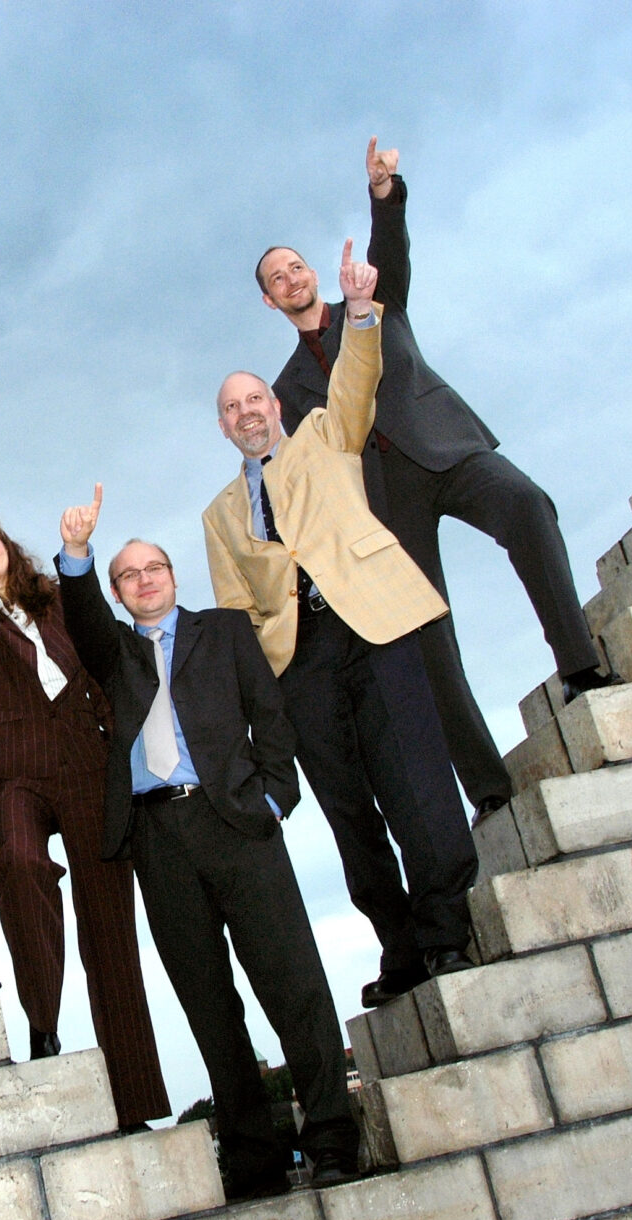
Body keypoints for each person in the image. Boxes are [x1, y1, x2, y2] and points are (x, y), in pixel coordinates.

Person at [260, 138, 614, 822]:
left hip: (447, 450)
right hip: (388, 505)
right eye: (276, 277)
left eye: (296, 266)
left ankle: (580, 667)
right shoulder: (286, 389)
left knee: (528, 505)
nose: (291, 278)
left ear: (313, 274)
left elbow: (390, 247)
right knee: (430, 644)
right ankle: (488, 788)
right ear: (269, 301)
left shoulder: (374, 297)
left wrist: (384, 193)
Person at [55, 489, 361, 1200]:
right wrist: (76, 554)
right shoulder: (115, 653)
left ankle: (331, 1136)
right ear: (117, 590)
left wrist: (275, 799)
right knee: (208, 1001)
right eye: (128, 574)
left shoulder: (223, 631)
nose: (144, 579)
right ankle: (254, 1155)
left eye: (154, 566)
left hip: (237, 824)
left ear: (173, 575)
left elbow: (272, 719)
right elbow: (85, 619)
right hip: (158, 839)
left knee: (293, 982)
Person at [205, 238, 478, 1010]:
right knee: (352, 812)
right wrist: (261, 708)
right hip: (303, 666)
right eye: (232, 409)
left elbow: (359, 382)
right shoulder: (221, 515)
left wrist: (359, 314)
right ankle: (399, 947)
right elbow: (236, 617)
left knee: (416, 783)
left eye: (254, 399)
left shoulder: (327, 433)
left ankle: (446, 931)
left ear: (276, 406)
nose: (247, 412)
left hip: (377, 627)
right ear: (223, 428)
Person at [0, 470, 170, 1132]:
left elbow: (102, 646)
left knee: (109, 932)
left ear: (10, 546)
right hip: (17, 768)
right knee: (21, 864)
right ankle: (43, 1025)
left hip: (89, 757)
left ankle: (133, 1104)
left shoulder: (57, 600)